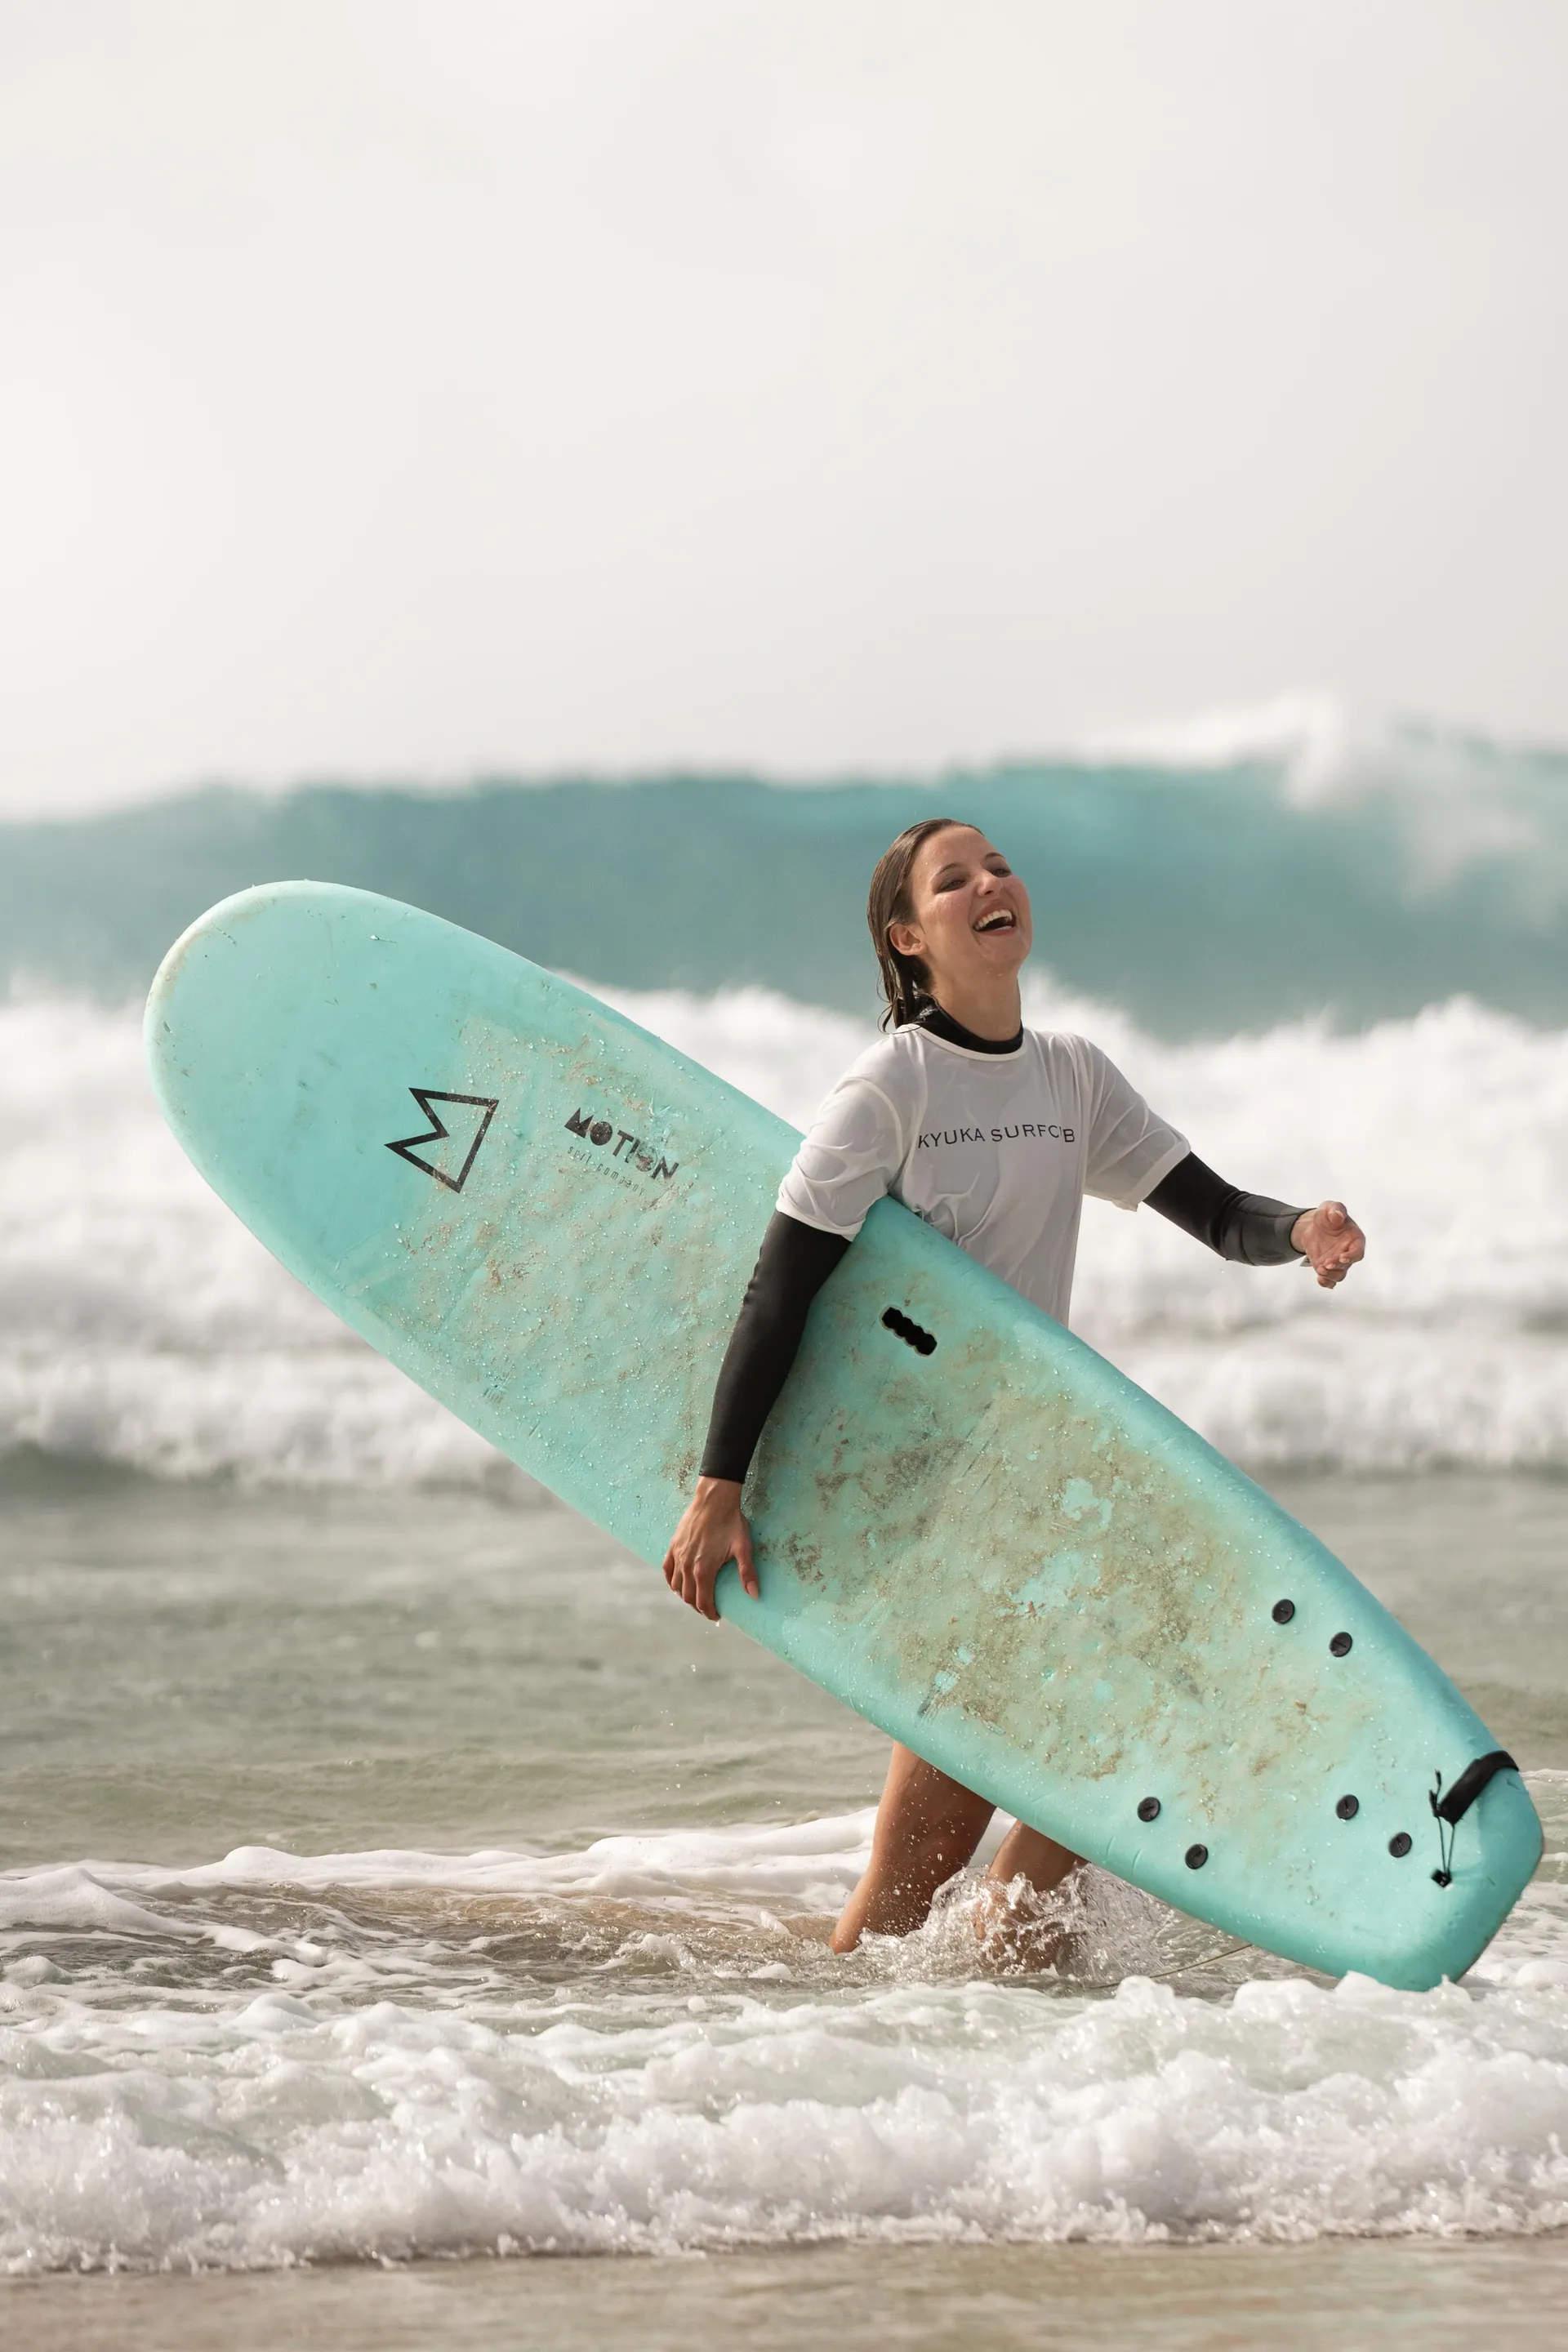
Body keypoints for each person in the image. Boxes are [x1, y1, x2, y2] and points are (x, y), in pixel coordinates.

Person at [661, 817, 1365, 1954]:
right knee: (1016, 1795)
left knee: (1038, 1791)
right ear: (908, 937)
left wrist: (1301, 1230)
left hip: (1032, 1481)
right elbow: (780, 1289)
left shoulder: (1071, 1076)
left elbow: (1220, 1213)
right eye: (954, 879)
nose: (992, 883)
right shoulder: (890, 1085)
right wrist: (720, 1485)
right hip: (927, 1494)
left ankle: (971, 1974)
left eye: (998, 866)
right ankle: (961, 1973)